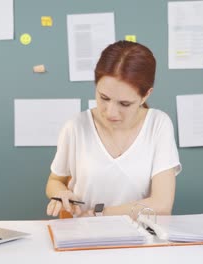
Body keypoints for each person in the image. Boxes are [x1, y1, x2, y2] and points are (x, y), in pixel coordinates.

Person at [45, 40, 182, 218]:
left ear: (145, 95)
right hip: (84, 237)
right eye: (104, 98)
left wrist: (98, 213)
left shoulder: (158, 124)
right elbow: (55, 181)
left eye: (124, 104)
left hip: (142, 239)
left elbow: (162, 205)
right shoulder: (76, 127)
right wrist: (61, 193)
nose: (111, 113)